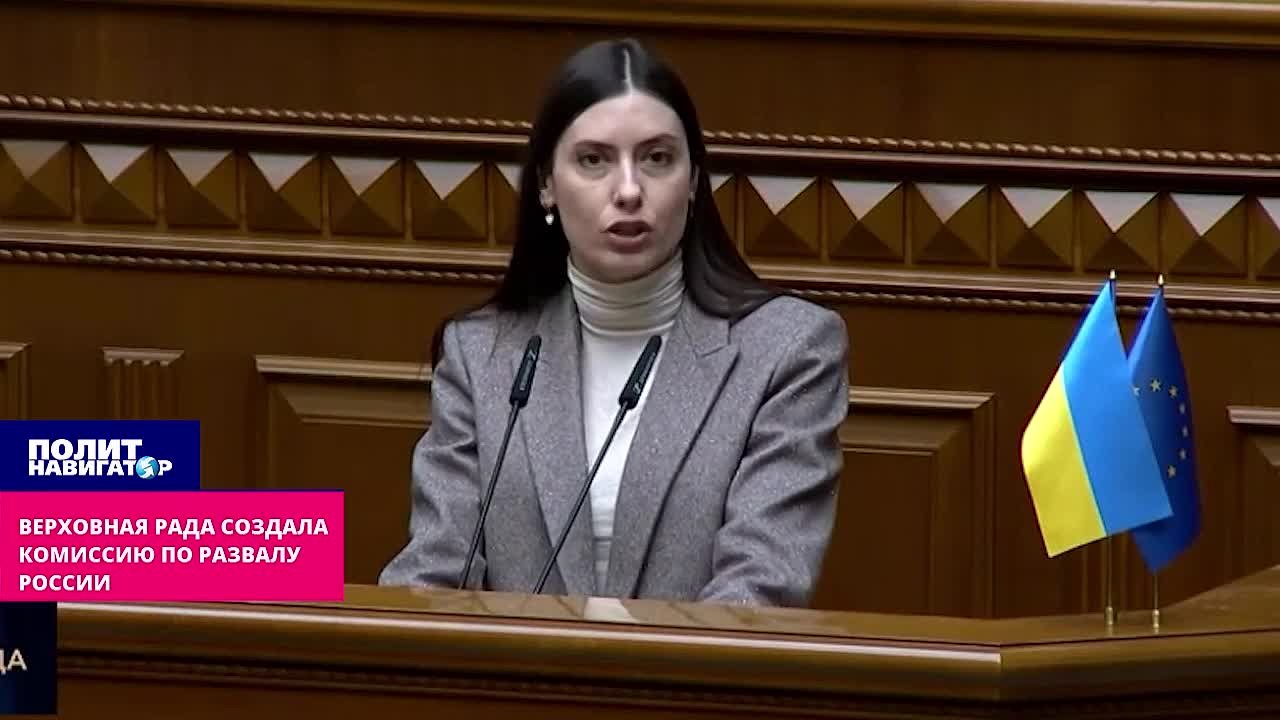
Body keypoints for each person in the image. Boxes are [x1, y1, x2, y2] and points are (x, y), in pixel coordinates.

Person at [379, 38, 849, 607]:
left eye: (657, 158)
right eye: (593, 160)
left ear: (694, 180)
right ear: (547, 185)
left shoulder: (787, 350)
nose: (628, 191)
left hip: (700, 667)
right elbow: (433, 569)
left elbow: (760, 585)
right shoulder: (481, 354)